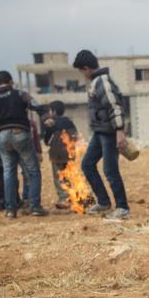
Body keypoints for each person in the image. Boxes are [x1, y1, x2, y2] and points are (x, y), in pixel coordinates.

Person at [72, 50, 132, 220]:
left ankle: (122, 208)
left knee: (110, 170)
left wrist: (119, 131)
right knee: (87, 164)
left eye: (81, 71)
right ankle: (104, 202)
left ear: (86, 68)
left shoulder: (103, 82)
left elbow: (115, 106)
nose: (82, 74)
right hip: (100, 132)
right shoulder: (96, 81)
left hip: (110, 133)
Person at [0, 70, 48, 219]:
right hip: (20, 133)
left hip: (3, 138)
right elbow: (34, 104)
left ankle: (10, 210)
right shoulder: (19, 94)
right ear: (11, 82)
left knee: (8, 172)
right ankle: (35, 206)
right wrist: (45, 116)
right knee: (33, 171)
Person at [42, 100, 78, 209]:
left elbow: (46, 140)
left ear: (53, 112)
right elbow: (75, 135)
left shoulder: (52, 123)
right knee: (69, 176)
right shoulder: (69, 122)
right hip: (69, 154)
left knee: (59, 178)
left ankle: (64, 198)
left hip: (56, 155)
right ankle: (74, 197)